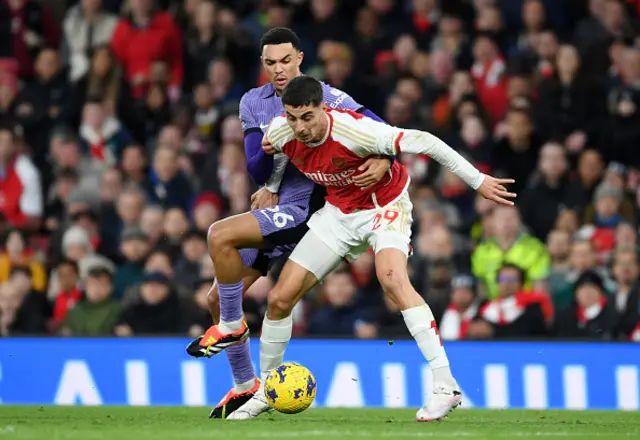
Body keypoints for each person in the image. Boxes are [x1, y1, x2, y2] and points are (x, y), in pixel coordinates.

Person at [207, 76, 516, 421]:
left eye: (307, 117)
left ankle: (446, 386)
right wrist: (273, 187)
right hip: (338, 215)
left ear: (323, 108)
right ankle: (267, 388)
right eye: (293, 118)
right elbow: (276, 154)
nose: (300, 127)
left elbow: (425, 141)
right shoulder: (281, 131)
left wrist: (478, 181)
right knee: (280, 298)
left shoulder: (357, 131)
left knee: (392, 280)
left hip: (384, 209)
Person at [184, 28, 392, 418]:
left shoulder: (325, 96)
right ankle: (246, 387)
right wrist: (267, 159)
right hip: (280, 206)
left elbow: (380, 127)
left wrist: (385, 157)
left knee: (221, 234)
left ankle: (231, 328)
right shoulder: (252, 102)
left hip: (312, 207)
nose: (278, 70)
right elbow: (255, 168)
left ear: (299, 58)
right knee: (217, 297)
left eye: (285, 61)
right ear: (262, 65)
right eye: (270, 63)